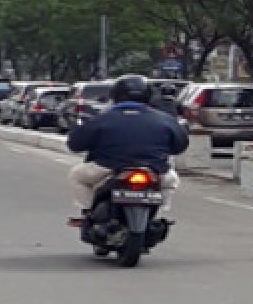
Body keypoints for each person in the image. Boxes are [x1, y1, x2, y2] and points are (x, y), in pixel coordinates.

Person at [66, 75, 189, 216]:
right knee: (171, 181)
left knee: (77, 175)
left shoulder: (101, 119)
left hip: (107, 167)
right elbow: (180, 145)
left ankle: (87, 213)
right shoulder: (164, 119)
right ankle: (159, 214)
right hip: (155, 168)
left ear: (115, 95)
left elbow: (75, 144)